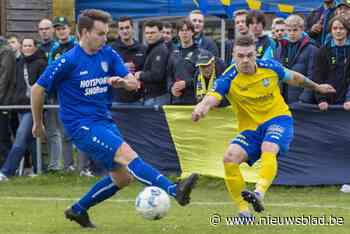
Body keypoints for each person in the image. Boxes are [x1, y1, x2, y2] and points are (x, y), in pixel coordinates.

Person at [31, 9, 198, 228]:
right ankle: (175, 190)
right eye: (100, 33)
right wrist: (38, 122)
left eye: (105, 33)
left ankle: (78, 209)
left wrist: (123, 83)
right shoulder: (68, 61)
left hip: (104, 121)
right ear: (84, 33)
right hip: (81, 125)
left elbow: (133, 82)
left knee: (123, 178)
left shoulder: (108, 54)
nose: (104, 38)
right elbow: (37, 89)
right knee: (128, 156)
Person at [191, 34, 335, 219]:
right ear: (233, 55)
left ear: (255, 55)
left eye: (249, 55)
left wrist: (317, 87)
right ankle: (244, 211)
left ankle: (258, 193)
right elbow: (212, 96)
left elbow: (295, 78)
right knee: (229, 158)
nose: (245, 60)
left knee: (269, 147)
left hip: (278, 119)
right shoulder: (228, 77)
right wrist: (202, 107)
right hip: (250, 129)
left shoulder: (270, 67)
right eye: (240, 56)